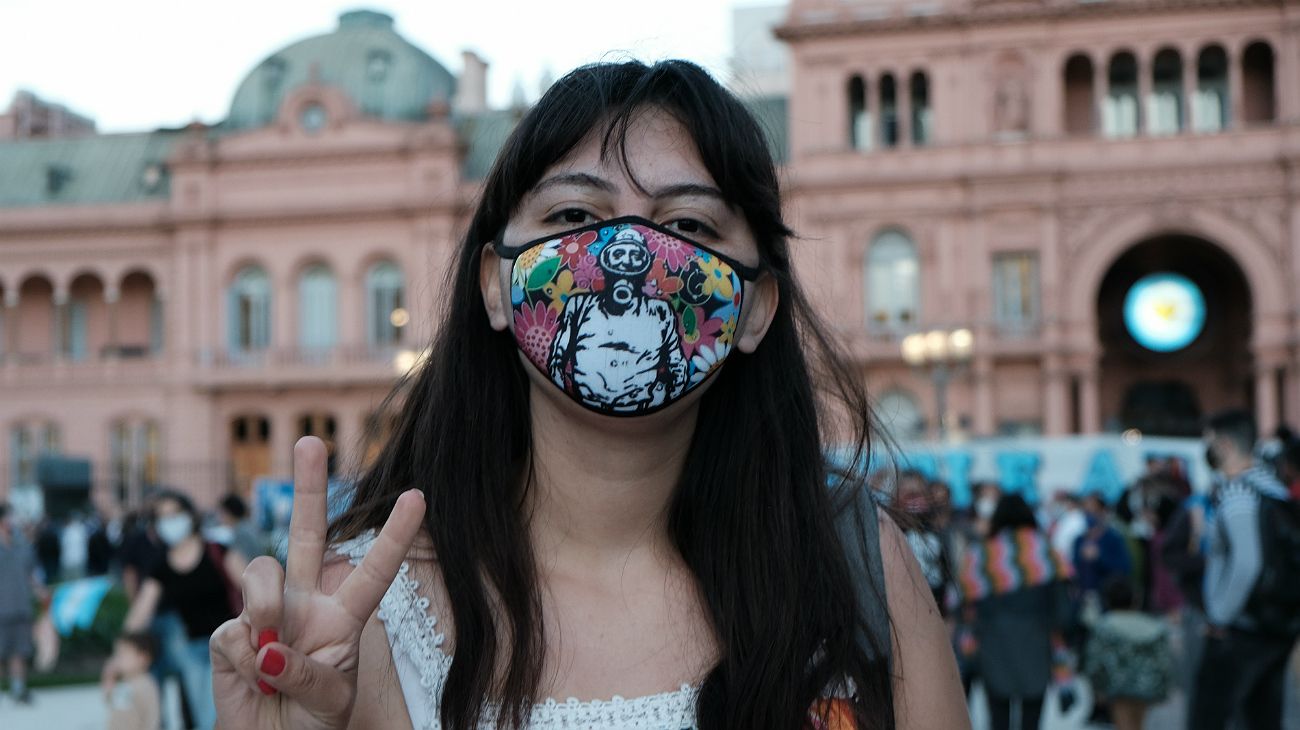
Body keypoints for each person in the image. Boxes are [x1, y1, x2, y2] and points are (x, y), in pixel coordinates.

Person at [208, 60, 970, 730]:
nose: (624, 258)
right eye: (574, 216)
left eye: (688, 222)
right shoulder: (362, 617)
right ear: (495, 286)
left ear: (757, 309)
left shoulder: (856, 570)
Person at [1190, 409, 1298, 730]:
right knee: (1262, 717)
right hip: (1276, 622)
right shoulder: (1271, 488)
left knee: (1210, 717)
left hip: (1241, 628)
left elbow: (1247, 562)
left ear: (1223, 444)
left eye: (1208, 441)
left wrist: (1220, 616)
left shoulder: (1238, 493)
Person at [949, 494, 1075, 730]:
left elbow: (962, 604)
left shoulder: (981, 555)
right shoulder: (1047, 553)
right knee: (1031, 717)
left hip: (993, 643)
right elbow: (1063, 612)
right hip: (1036, 643)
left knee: (998, 718)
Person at [123, 490, 242, 730]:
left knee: (228, 715)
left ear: (190, 515)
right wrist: (121, 649)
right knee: (206, 718)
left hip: (229, 644)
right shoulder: (162, 565)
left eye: (175, 514)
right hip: (192, 651)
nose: (170, 521)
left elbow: (251, 584)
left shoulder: (217, 550)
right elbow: (142, 610)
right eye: (162, 517)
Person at [1083, 577, 1172, 730]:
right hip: (1148, 686)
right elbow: (1164, 662)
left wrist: (1097, 688)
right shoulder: (1155, 628)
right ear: (1135, 599)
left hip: (1117, 687)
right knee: (1138, 724)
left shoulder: (1104, 628)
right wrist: (1163, 689)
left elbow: (1095, 662)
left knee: (1124, 724)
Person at [0, 504, 44, 705]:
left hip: (21, 607)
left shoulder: (22, 545)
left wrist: (40, 590)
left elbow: (31, 573)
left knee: (20, 651)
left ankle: (19, 689)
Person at [103, 631, 161, 730]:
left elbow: (121, 716)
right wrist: (109, 679)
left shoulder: (135, 686)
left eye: (123, 653)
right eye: (117, 654)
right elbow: (114, 702)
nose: (118, 658)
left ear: (143, 658)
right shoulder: (142, 683)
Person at [215, 494, 265, 564]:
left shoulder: (241, 533)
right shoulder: (246, 526)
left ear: (229, 513)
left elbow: (242, 562)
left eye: (221, 512)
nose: (219, 516)